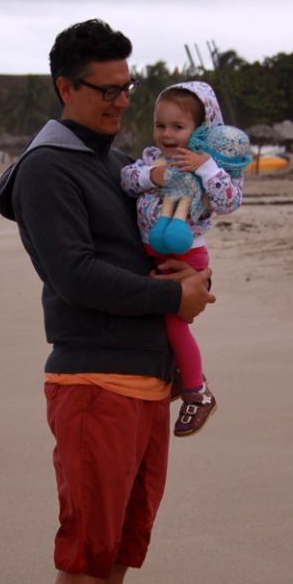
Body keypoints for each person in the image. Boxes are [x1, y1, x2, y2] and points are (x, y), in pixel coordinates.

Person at [0, 19, 215, 584]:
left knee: (116, 554)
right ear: (65, 86)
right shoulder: (48, 169)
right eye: (106, 89)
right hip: (92, 382)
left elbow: (139, 249)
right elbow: (75, 275)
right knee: (86, 557)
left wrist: (180, 279)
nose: (121, 101)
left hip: (143, 381)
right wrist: (171, 299)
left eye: (127, 87)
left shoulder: (112, 161)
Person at [120, 82, 244, 437]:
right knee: (157, 319)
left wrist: (205, 168)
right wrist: (153, 175)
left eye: (178, 127)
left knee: (175, 324)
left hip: (187, 254)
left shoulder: (212, 165)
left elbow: (230, 201)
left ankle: (197, 390)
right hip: (151, 250)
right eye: (160, 125)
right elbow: (127, 180)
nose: (167, 135)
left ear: (202, 129)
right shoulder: (152, 158)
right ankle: (177, 372)